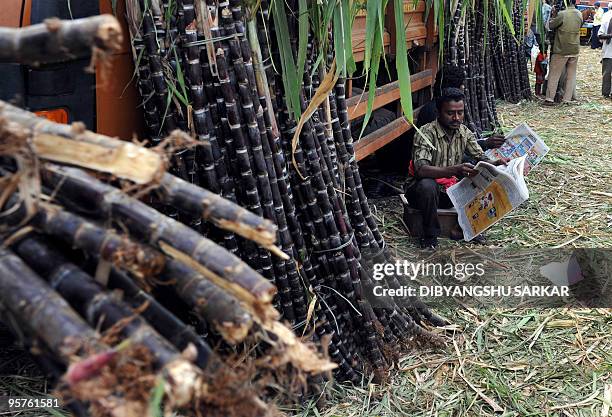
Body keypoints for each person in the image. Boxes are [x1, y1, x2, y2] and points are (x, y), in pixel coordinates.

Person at [404, 88, 508, 249]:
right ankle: (430, 235)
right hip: (420, 193)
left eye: (460, 113)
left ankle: (464, 229)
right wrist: (455, 170)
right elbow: (421, 170)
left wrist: (496, 164)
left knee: (483, 179)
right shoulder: (425, 133)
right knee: (427, 184)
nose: (456, 118)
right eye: (450, 113)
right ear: (438, 112)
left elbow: (481, 157)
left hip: (448, 190)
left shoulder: (464, 132)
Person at [416, 65, 505, 151]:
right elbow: (450, 150)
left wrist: (484, 143)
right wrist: (485, 144)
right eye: (462, 84)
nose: (456, 118)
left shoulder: (435, 107)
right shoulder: (435, 113)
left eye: (459, 113)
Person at [544, 0, 583, 105]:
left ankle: (549, 99)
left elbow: (549, 26)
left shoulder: (563, 14)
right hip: (574, 49)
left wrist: (552, 15)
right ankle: (567, 100)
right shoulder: (579, 14)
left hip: (562, 49)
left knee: (554, 74)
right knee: (571, 76)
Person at [598, 5, 612, 98]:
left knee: (606, 73)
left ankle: (605, 93)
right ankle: (606, 93)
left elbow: (600, 35)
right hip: (608, 50)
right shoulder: (607, 17)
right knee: (606, 73)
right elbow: (600, 35)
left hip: (608, 50)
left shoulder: (606, 16)